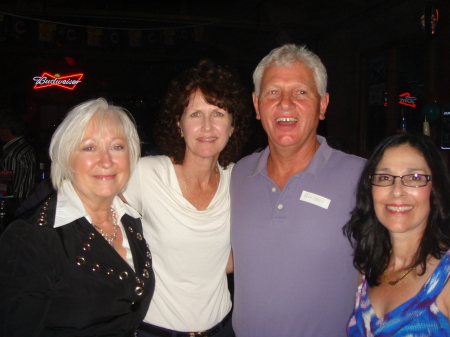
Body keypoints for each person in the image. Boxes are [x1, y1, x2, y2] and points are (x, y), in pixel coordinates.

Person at [230, 44, 366, 336]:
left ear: (323, 104)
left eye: (301, 92)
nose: (286, 103)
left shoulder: (364, 178)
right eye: (273, 92)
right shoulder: (237, 175)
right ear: (256, 105)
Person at [0, 98, 155, 336]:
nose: (106, 161)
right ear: (66, 157)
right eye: (89, 148)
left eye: (117, 147)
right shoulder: (30, 237)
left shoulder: (130, 220)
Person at [123, 59, 251, 337]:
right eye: (195, 114)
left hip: (222, 329)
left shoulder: (238, 180)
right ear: (178, 125)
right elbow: (95, 221)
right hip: (154, 331)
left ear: (232, 126)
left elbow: (228, 261)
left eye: (218, 113)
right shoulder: (146, 174)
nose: (207, 126)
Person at [344, 133, 450, 336]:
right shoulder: (368, 268)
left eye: (414, 178)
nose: (397, 191)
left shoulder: (446, 279)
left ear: (435, 191)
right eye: (385, 177)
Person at [0, 111, 36, 200]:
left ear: (6, 130)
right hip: (24, 203)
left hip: (14, 206)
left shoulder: (12, 154)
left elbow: (8, 189)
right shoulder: (24, 146)